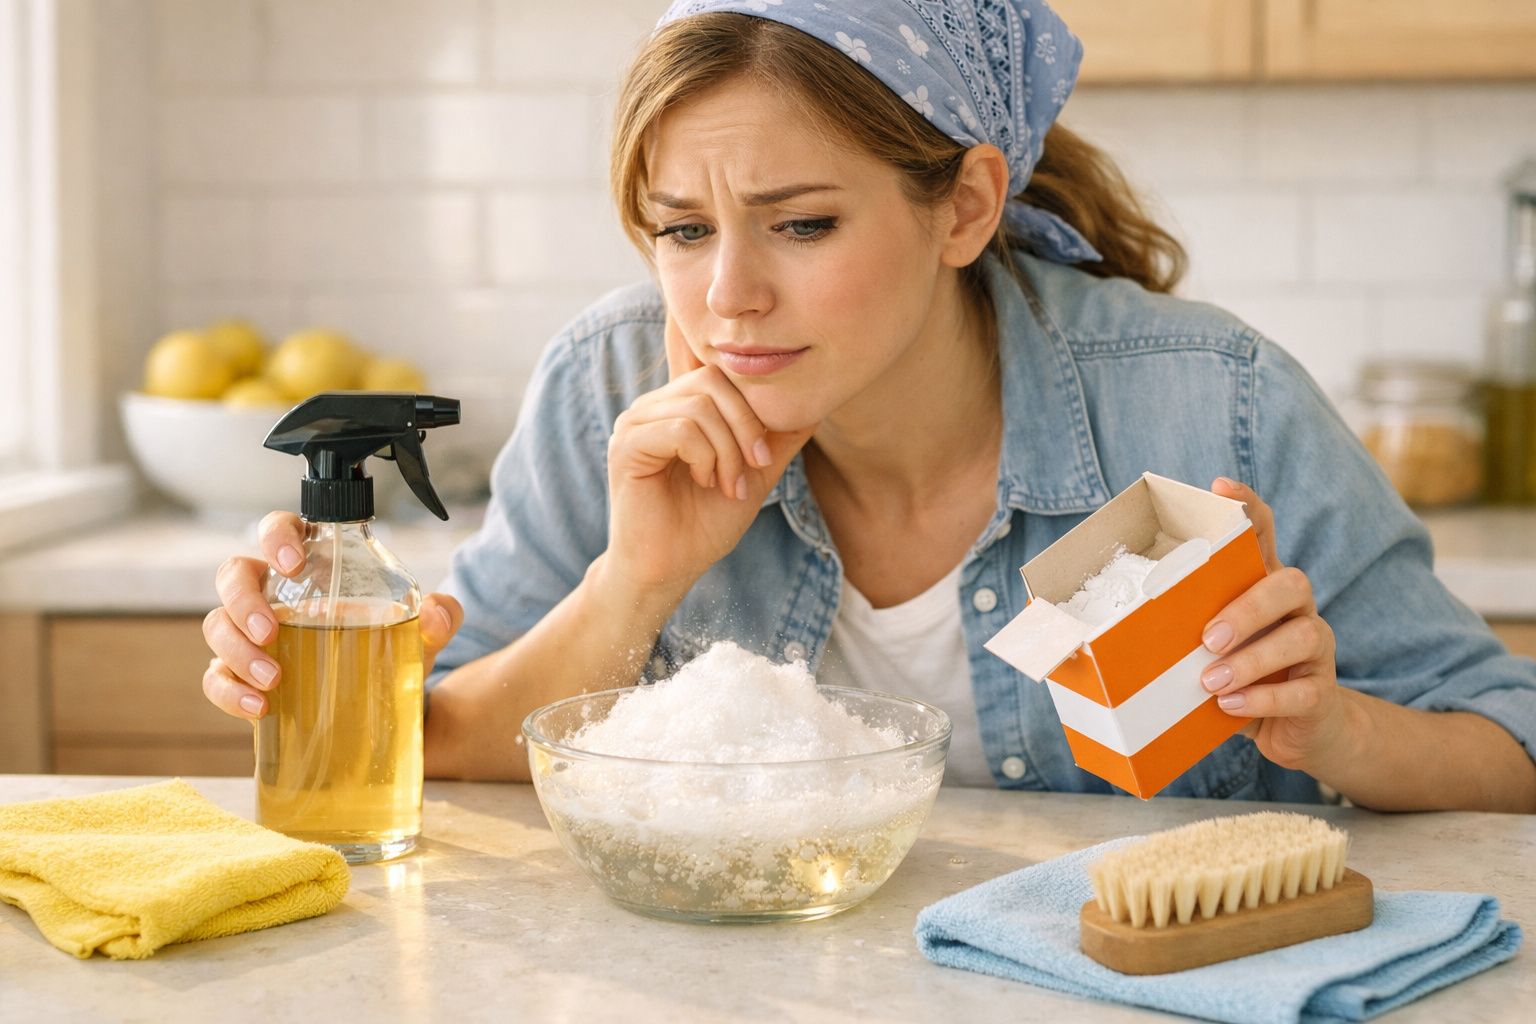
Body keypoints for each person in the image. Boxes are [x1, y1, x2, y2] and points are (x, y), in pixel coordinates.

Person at [199, 0, 1536, 812]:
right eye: (678, 229)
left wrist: (1342, 731)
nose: (727, 298)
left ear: (963, 204)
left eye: (802, 224)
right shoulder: (611, 387)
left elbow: (1514, 748)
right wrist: (633, 585)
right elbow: (431, 755)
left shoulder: (1211, 407)